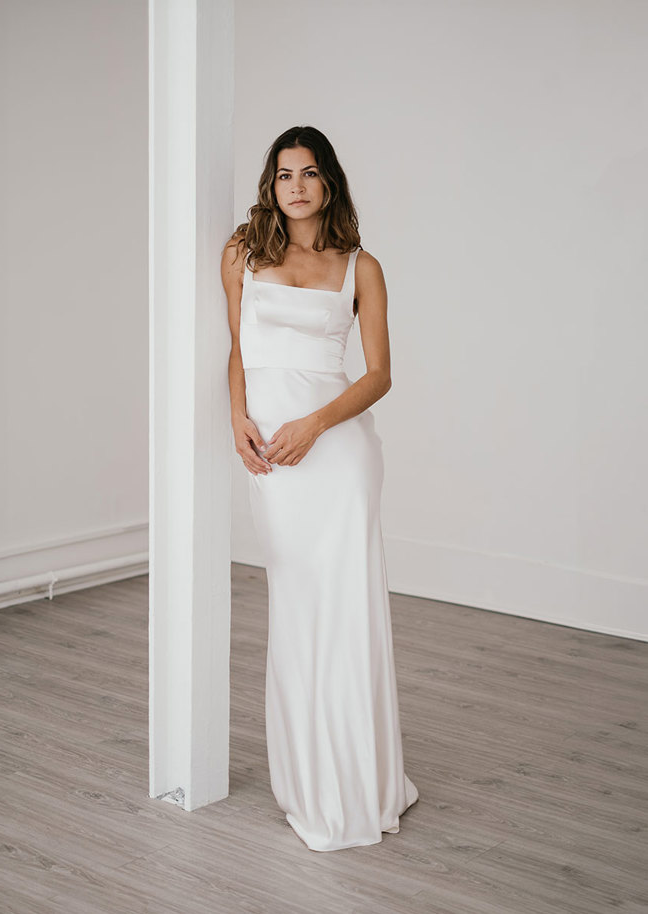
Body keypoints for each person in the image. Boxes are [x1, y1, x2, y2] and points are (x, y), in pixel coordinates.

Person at [221, 125, 419, 852]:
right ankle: (310, 779)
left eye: (308, 173)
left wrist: (313, 425)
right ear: (271, 186)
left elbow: (378, 376)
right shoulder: (243, 253)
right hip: (275, 456)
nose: (296, 186)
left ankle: (361, 783)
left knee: (348, 610)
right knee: (298, 604)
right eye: (283, 175)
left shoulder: (360, 265)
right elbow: (238, 349)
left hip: (338, 453)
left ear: (328, 182)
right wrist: (237, 417)